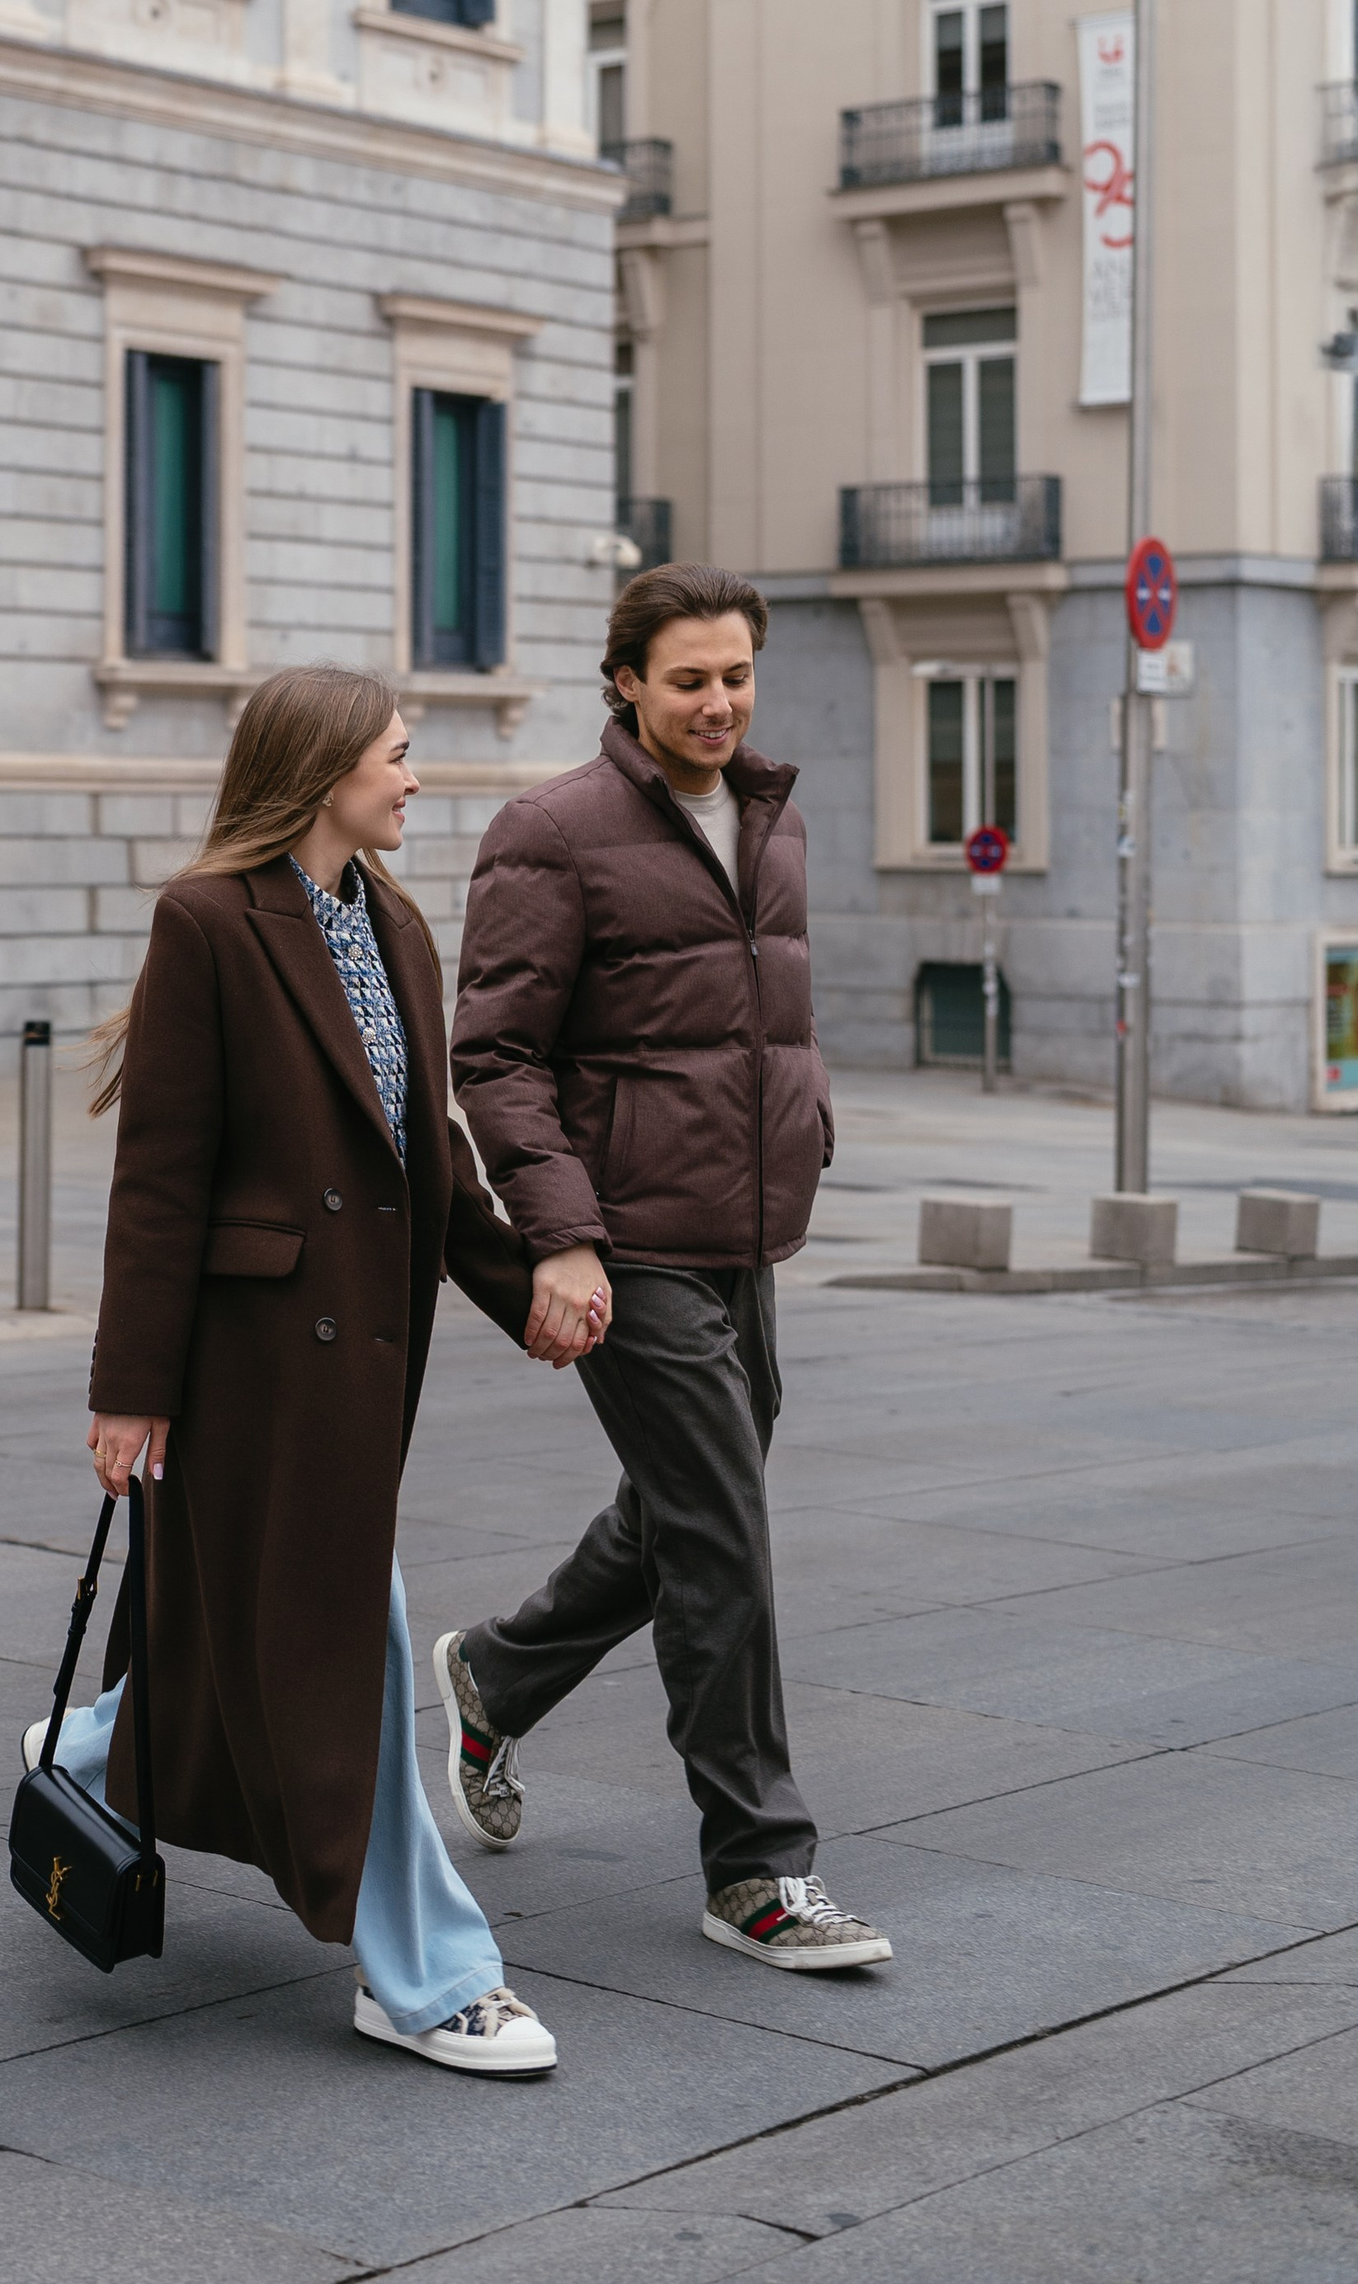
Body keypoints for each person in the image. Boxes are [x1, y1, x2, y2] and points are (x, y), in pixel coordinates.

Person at [31, 664, 557, 2073]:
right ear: (322, 770)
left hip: (367, 1357)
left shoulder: (395, 924)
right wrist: (129, 1389)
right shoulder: (208, 922)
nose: (414, 775)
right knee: (355, 1638)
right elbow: (162, 1178)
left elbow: (425, 1156)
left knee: (263, 1625)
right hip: (251, 1369)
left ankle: (97, 1749)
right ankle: (423, 1972)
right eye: (395, 753)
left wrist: (527, 1294)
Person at [432, 566, 893, 1975]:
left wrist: (803, 1133)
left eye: (737, 675)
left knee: (696, 1502)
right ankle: (756, 1869)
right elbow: (496, 1053)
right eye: (689, 677)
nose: (718, 702)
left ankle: (495, 1675)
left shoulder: (774, 813)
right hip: (625, 1236)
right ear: (624, 679)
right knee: (721, 1538)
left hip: (743, 1225)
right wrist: (560, 1234)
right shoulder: (552, 832)